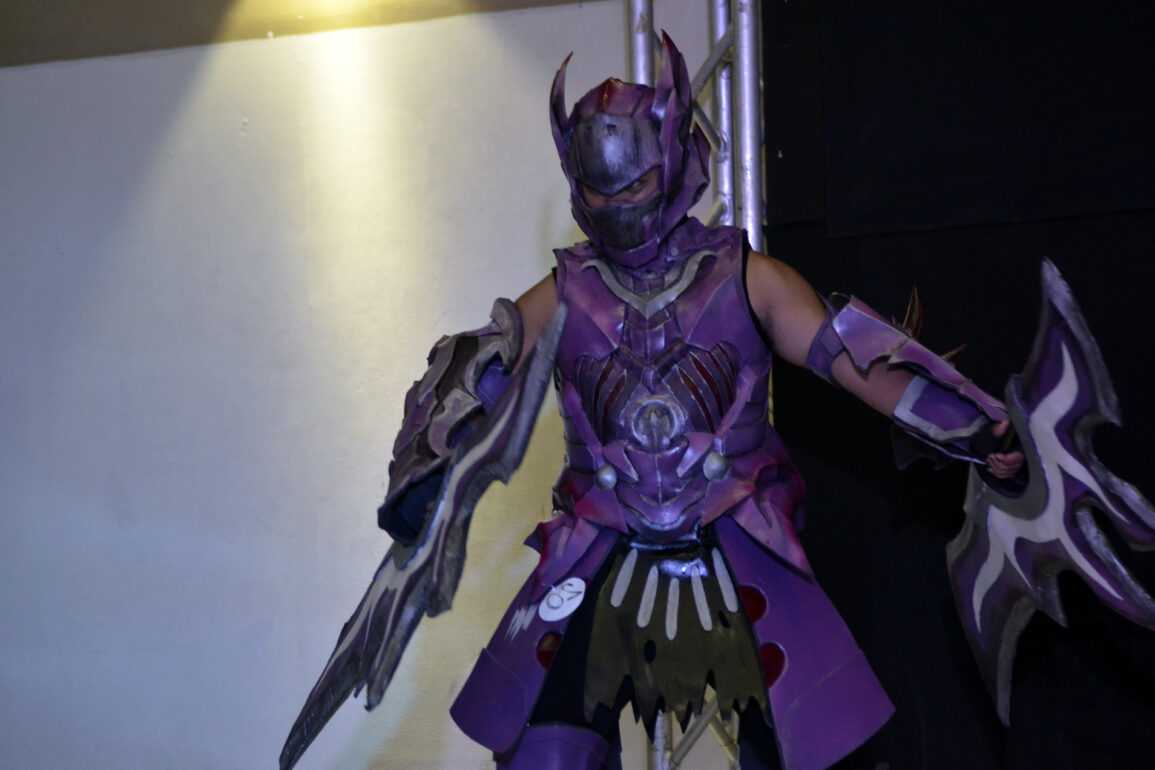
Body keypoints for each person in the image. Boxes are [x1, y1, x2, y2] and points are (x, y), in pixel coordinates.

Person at [374, 35, 1023, 770]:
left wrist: (972, 429)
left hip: (736, 536)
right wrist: (427, 462)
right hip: (602, 540)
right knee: (542, 746)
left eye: (634, 186)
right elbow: (482, 365)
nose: (618, 206)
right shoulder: (568, 289)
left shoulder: (746, 277)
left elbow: (853, 360)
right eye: (601, 191)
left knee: (803, 743)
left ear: (674, 163)